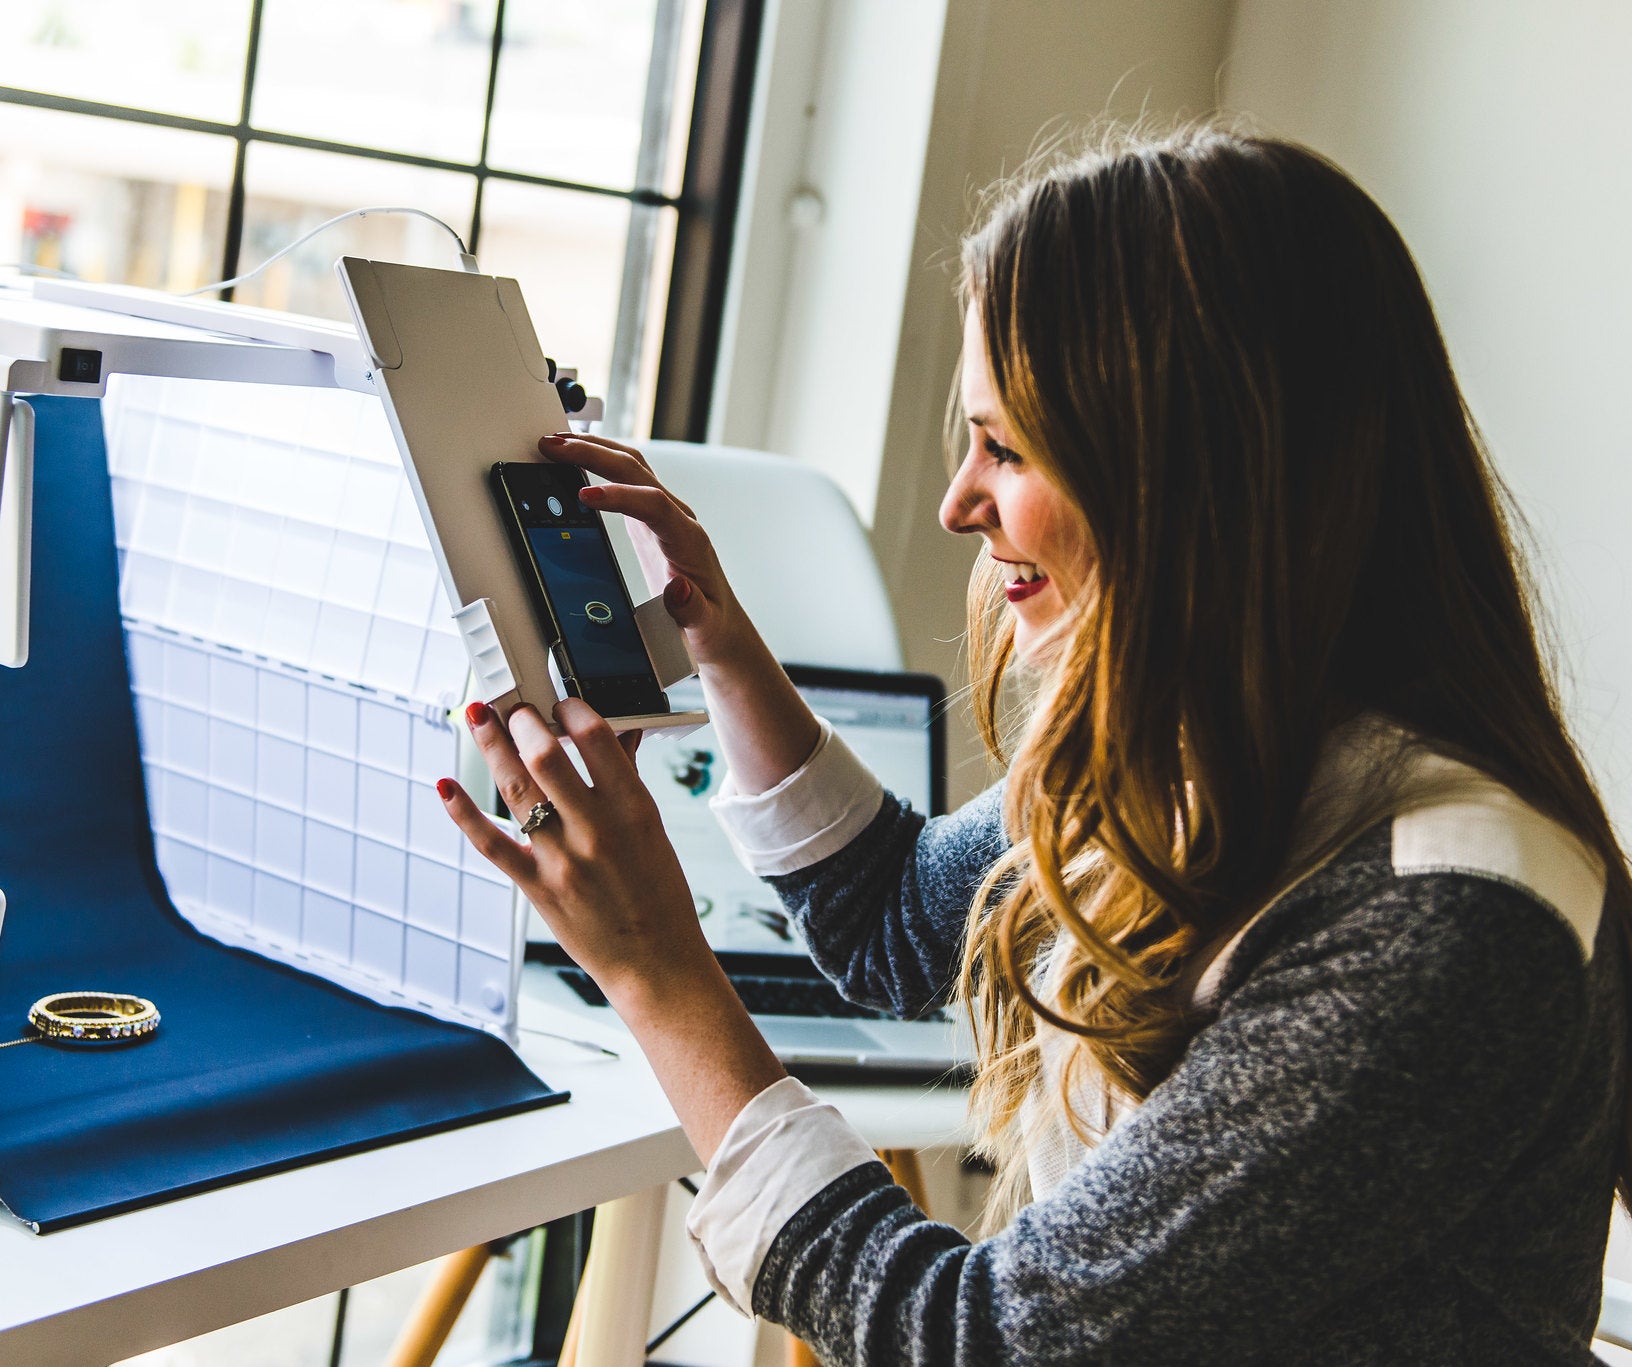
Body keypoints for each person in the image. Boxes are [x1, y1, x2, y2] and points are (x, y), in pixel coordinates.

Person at [435, 125, 1631, 1364]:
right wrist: (723, 643)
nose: (957, 504)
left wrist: (657, 975)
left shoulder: (1444, 917)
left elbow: (986, 1342)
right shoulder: (1197, 749)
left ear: (1193, 479)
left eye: (1003, 447)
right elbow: (891, 922)